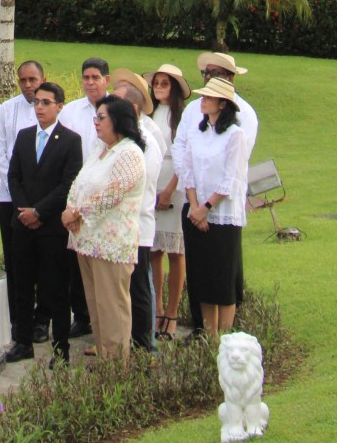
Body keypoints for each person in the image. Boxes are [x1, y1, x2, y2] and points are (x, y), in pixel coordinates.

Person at [172, 52, 257, 328]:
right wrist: (194, 206)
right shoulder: (197, 131)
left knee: (222, 281)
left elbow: (231, 178)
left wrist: (206, 208)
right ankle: (209, 338)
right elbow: (188, 168)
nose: (202, 102)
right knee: (202, 280)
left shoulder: (235, 134)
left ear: (222, 104)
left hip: (220, 215)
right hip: (197, 211)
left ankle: (225, 336)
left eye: (208, 98)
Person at [61, 94, 146, 360]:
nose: (96, 123)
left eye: (101, 118)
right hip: (87, 241)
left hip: (112, 245)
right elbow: (78, 184)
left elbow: (113, 194)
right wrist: (69, 209)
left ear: (118, 120)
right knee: (96, 308)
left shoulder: (130, 152)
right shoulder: (101, 151)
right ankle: (104, 366)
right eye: (95, 118)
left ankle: (116, 371)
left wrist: (78, 213)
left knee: (112, 309)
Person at [5, 81, 83, 365]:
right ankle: (23, 341)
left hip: (51, 228)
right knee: (22, 287)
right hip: (23, 225)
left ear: (59, 106)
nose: (39, 107)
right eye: (37, 102)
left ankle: (60, 348)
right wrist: (24, 210)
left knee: (56, 289)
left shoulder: (71, 141)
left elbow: (68, 185)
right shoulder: (24, 136)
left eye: (45, 102)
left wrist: (39, 211)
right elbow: (13, 176)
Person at [110, 71, 164, 353]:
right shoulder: (121, 138)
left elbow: (140, 186)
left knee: (139, 286)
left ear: (131, 109)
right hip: (118, 227)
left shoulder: (147, 142)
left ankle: (145, 345)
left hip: (136, 225)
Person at [59, 56, 111, 337]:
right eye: (86, 78)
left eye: (95, 78)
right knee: (76, 258)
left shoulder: (115, 108)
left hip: (105, 193)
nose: (90, 83)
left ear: (107, 80)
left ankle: (104, 321)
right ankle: (82, 315)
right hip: (76, 192)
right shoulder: (70, 111)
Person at [0, 60, 45, 336]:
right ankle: (18, 320)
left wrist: (37, 202)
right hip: (11, 197)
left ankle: (41, 320)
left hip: (44, 203)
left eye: (33, 79)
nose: (28, 85)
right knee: (16, 262)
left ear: (42, 79)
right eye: (23, 80)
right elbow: (2, 152)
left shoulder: (53, 108)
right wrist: (19, 197)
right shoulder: (7, 109)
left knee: (44, 264)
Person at [146, 63, 191, 340]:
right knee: (153, 251)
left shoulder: (182, 117)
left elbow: (184, 156)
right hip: (152, 181)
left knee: (175, 251)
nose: (159, 88)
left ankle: (172, 313)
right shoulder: (149, 114)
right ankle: (157, 309)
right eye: (156, 83)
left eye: (165, 83)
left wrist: (170, 189)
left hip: (175, 183)